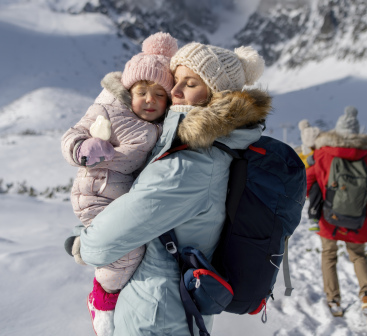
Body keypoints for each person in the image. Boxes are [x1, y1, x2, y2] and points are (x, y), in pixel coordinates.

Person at [66, 41, 270, 335]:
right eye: (176, 81)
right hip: (168, 305)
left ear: (216, 95)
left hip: (157, 312)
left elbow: (107, 241)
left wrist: (83, 242)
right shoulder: (195, 147)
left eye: (189, 84)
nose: (174, 91)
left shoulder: (193, 162)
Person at [61, 32, 178, 335]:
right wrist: (81, 149)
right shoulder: (109, 109)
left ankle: (86, 246)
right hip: (95, 191)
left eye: (159, 94)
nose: (150, 100)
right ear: (129, 90)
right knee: (127, 251)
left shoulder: (161, 127)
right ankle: (101, 302)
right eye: (142, 91)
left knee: (131, 249)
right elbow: (73, 134)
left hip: (121, 198)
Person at [306, 106, 367, 325]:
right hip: (359, 219)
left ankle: (334, 300)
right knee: (358, 256)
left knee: (329, 255)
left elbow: (308, 180)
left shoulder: (322, 153)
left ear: (336, 132)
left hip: (329, 218)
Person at [298, 119, 323, 231]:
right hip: (310, 185)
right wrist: (308, 162)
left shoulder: (318, 152)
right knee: (316, 190)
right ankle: (313, 216)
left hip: (317, 182)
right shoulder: (305, 153)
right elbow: (300, 163)